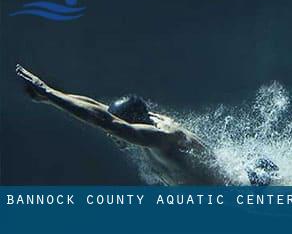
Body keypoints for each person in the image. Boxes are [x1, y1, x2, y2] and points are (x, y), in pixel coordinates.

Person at [15, 64, 278, 185]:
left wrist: (48, 93)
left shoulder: (162, 138)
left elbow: (106, 121)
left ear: (132, 124)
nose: (110, 135)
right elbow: (99, 109)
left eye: (115, 130)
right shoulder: (146, 123)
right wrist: (51, 97)